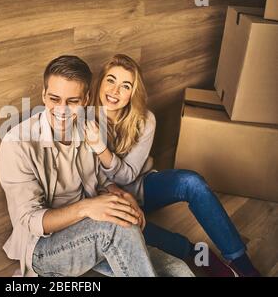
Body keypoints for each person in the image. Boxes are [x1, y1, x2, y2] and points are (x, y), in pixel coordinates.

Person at [85, 53, 261, 277]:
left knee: (192, 182)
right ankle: (197, 254)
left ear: (132, 93)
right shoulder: (83, 118)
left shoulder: (145, 119)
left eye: (125, 85)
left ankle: (241, 263)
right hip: (108, 197)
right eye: (111, 80)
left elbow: (127, 176)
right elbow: (88, 179)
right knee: (129, 225)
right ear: (100, 82)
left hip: (141, 186)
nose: (115, 91)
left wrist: (101, 149)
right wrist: (117, 195)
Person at [0, 55, 157, 277]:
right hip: (43, 249)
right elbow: (30, 220)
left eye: (72, 101)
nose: (62, 110)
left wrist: (121, 195)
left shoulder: (88, 129)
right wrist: (87, 208)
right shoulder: (17, 143)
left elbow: (101, 180)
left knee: (176, 269)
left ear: (85, 100)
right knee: (115, 228)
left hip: (90, 230)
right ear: (43, 95)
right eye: (54, 99)